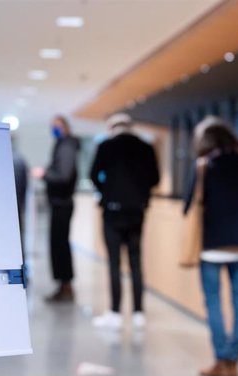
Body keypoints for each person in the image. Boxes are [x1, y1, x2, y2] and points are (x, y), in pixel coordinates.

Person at [184, 117, 238, 376]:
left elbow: (189, 205)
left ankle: (221, 358)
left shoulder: (205, 168)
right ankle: (234, 361)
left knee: (213, 302)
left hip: (213, 245)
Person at [89, 113, 159, 329]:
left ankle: (115, 313)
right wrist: (141, 196)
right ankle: (139, 313)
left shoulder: (106, 146)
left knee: (114, 263)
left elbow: (93, 174)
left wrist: (107, 193)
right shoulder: (145, 147)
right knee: (136, 262)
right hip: (136, 211)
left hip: (112, 211)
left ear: (112, 127)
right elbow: (155, 178)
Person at [33, 115, 80, 302]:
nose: (54, 129)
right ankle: (63, 284)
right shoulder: (62, 146)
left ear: (65, 127)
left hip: (62, 203)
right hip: (59, 203)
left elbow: (64, 176)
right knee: (58, 244)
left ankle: (65, 284)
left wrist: (44, 174)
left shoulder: (66, 147)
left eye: (57, 126)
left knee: (59, 245)